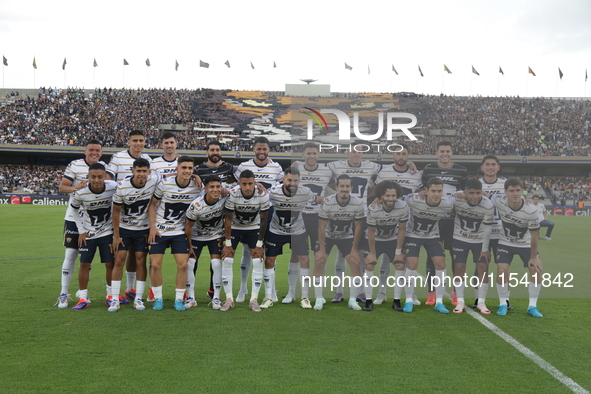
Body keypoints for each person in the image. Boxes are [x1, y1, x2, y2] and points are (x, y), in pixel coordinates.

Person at [55, 140, 106, 308]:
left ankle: (83, 294)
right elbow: (62, 188)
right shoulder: (75, 165)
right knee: (70, 255)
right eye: (91, 150)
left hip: (94, 221)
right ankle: (63, 293)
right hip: (73, 217)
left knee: (87, 258)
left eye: (97, 150)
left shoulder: (104, 166)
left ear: (101, 152)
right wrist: (75, 187)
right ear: (85, 151)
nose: (94, 152)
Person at [147, 156, 202, 312]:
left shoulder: (197, 185)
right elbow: (152, 205)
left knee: (183, 265)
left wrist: (197, 177)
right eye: (184, 167)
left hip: (179, 232)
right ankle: (158, 298)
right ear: (177, 169)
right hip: (160, 230)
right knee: (156, 265)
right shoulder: (165, 184)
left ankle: (179, 299)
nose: (187, 171)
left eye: (190, 168)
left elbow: (210, 192)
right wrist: (152, 227)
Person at [327, 146, 381, 303]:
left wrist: (372, 189)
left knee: (362, 253)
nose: (356, 154)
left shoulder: (372, 166)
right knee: (342, 253)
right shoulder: (336, 165)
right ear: (347, 152)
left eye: (359, 152)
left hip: (361, 215)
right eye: (353, 151)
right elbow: (323, 173)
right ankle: (339, 291)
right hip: (342, 214)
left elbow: (382, 172)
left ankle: (361, 291)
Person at [369, 143, 421, 305]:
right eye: (398, 154)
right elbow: (374, 191)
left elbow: (421, 193)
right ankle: (382, 293)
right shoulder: (384, 171)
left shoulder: (416, 174)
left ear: (408, 155)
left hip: (408, 222)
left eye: (404, 154)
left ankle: (410, 294)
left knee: (403, 260)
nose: (401, 157)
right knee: (385, 258)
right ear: (393, 155)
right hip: (386, 221)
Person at [234, 137, 284, 303]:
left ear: (268, 150)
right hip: (248, 214)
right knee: (248, 251)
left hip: (268, 213)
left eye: (264, 149)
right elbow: (237, 186)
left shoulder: (276, 167)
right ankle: (243, 289)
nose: (261, 152)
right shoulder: (244, 167)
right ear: (253, 149)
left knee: (270, 253)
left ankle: (272, 290)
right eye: (258, 149)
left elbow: (282, 187)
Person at [106, 130, 152, 302]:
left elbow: (158, 179)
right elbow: (107, 177)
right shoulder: (118, 158)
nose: (138, 143)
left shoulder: (148, 159)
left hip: (141, 223)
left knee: (136, 256)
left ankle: (130, 290)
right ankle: (114, 294)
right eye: (135, 140)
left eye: (141, 140)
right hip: (123, 212)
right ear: (129, 142)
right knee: (120, 257)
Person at [263, 167, 319, 309]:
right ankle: (268, 297)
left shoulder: (305, 192)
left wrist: (333, 198)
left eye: (295, 180)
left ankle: (304, 297)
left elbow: (318, 199)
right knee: (269, 260)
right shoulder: (273, 192)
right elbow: (260, 196)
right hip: (276, 231)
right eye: (289, 180)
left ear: (299, 181)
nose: (292, 183)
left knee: (304, 260)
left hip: (298, 231)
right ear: (283, 179)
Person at [421, 141, 468, 305]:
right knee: (431, 256)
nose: (445, 154)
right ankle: (431, 292)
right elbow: (421, 189)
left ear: (452, 153)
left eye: (448, 151)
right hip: (434, 220)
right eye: (442, 151)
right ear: (437, 153)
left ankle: (455, 291)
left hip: (454, 220)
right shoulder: (429, 169)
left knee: (456, 256)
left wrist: (462, 194)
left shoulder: (461, 170)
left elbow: (466, 192)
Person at [285, 142, 332, 304]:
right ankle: (291, 293)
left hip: (319, 218)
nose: (312, 156)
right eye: (309, 153)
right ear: (303, 155)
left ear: (318, 155)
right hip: (300, 216)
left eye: (314, 153)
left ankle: (319, 294)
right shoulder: (297, 169)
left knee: (320, 255)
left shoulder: (327, 170)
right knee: (296, 255)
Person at [110, 158, 158, 311]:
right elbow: (115, 212)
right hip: (124, 229)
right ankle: (115, 298)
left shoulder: (154, 181)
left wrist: (196, 177)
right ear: (132, 171)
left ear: (149, 172)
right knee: (119, 260)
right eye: (138, 171)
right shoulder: (122, 187)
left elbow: (175, 176)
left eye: (144, 171)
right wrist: (116, 236)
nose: (141, 174)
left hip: (142, 230)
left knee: (140, 261)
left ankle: (138, 298)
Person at [492, 178, 544, 318]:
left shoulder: (531, 210)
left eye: (518, 190)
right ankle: (503, 303)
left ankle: (532, 306)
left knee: (536, 269)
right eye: (511, 191)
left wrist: (534, 257)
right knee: (502, 271)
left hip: (525, 243)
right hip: (505, 242)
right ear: (505, 192)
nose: (515, 193)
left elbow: (535, 235)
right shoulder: (499, 201)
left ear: (522, 191)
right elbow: (483, 196)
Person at [220, 170, 270, 312]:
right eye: (244, 184)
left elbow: (264, 219)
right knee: (228, 260)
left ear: (255, 183)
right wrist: (228, 244)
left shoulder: (262, 194)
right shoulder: (233, 194)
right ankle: (229, 299)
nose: (247, 187)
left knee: (257, 260)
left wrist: (260, 245)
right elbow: (228, 219)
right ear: (239, 184)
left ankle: (253, 299)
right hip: (235, 227)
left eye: (250, 184)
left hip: (253, 227)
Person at [69, 163, 117, 310]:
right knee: (84, 264)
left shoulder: (113, 186)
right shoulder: (81, 193)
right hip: (88, 233)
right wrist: (81, 231)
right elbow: (74, 210)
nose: (97, 180)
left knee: (110, 264)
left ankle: (110, 296)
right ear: (88, 177)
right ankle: (83, 298)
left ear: (105, 177)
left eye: (100, 177)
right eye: (93, 177)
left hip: (107, 232)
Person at [402, 178, 454, 314]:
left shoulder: (446, 204)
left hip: (432, 236)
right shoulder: (413, 199)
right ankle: (408, 300)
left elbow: (460, 197)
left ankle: (439, 302)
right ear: (426, 191)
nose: (437, 194)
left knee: (441, 264)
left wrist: (462, 193)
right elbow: (397, 199)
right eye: (433, 191)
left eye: (439, 191)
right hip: (413, 235)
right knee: (412, 265)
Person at [314, 174, 365, 311]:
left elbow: (359, 226)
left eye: (347, 186)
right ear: (336, 187)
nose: (344, 188)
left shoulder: (358, 202)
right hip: (328, 236)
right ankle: (319, 298)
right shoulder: (328, 202)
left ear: (351, 188)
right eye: (341, 186)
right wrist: (322, 250)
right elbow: (321, 226)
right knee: (319, 261)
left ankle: (353, 300)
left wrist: (354, 249)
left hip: (346, 236)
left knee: (355, 261)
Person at [193, 140, 237, 300]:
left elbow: (243, 182)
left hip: (218, 222)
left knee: (216, 261)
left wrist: (229, 188)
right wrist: (193, 175)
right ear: (207, 153)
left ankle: (213, 291)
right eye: (212, 150)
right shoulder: (198, 169)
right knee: (193, 260)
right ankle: (189, 293)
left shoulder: (229, 168)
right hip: (199, 218)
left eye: (218, 150)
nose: (215, 152)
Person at [450, 179, 495, 314]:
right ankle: (460, 301)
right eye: (471, 193)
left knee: (483, 267)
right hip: (460, 238)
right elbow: (444, 201)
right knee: (459, 267)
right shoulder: (456, 199)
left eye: (478, 193)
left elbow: (488, 229)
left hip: (480, 240)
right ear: (465, 193)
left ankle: (481, 301)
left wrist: (485, 249)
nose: (475, 197)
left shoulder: (488, 205)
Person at [364, 180, 409, 311]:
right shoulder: (373, 208)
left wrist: (399, 250)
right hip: (376, 240)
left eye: (393, 195)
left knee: (400, 264)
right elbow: (371, 232)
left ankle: (396, 300)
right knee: (369, 264)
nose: (390, 198)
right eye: (387, 195)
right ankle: (368, 300)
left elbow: (402, 229)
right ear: (381, 196)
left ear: (397, 195)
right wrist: (372, 253)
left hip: (392, 239)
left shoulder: (402, 206)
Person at [184, 175, 226, 310]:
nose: (215, 190)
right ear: (206, 189)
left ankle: (216, 298)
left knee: (216, 263)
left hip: (215, 235)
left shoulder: (226, 197)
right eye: (212, 187)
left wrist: (258, 186)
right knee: (190, 263)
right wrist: (189, 246)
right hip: (197, 236)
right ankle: (190, 297)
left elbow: (241, 189)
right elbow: (188, 227)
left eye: (218, 187)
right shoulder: (196, 205)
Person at [475, 154, 508, 309]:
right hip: (481, 233)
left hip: (501, 233)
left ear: (498, 167)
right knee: (481, 266)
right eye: (487, 164)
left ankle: (505, 300)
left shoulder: (505, 184)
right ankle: (478, 299)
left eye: (493, 164)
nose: (490, 167)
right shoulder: (476, 185)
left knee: (503, 268)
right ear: (482, 167)